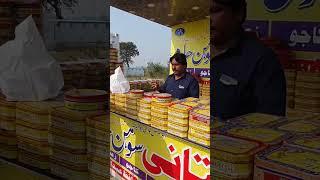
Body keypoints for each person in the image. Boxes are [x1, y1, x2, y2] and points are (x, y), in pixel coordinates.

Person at [211, 0, 286, 120]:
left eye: (214, 11)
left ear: (238, 13)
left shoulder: (263, 60)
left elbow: (268, 125)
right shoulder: (197, 53)